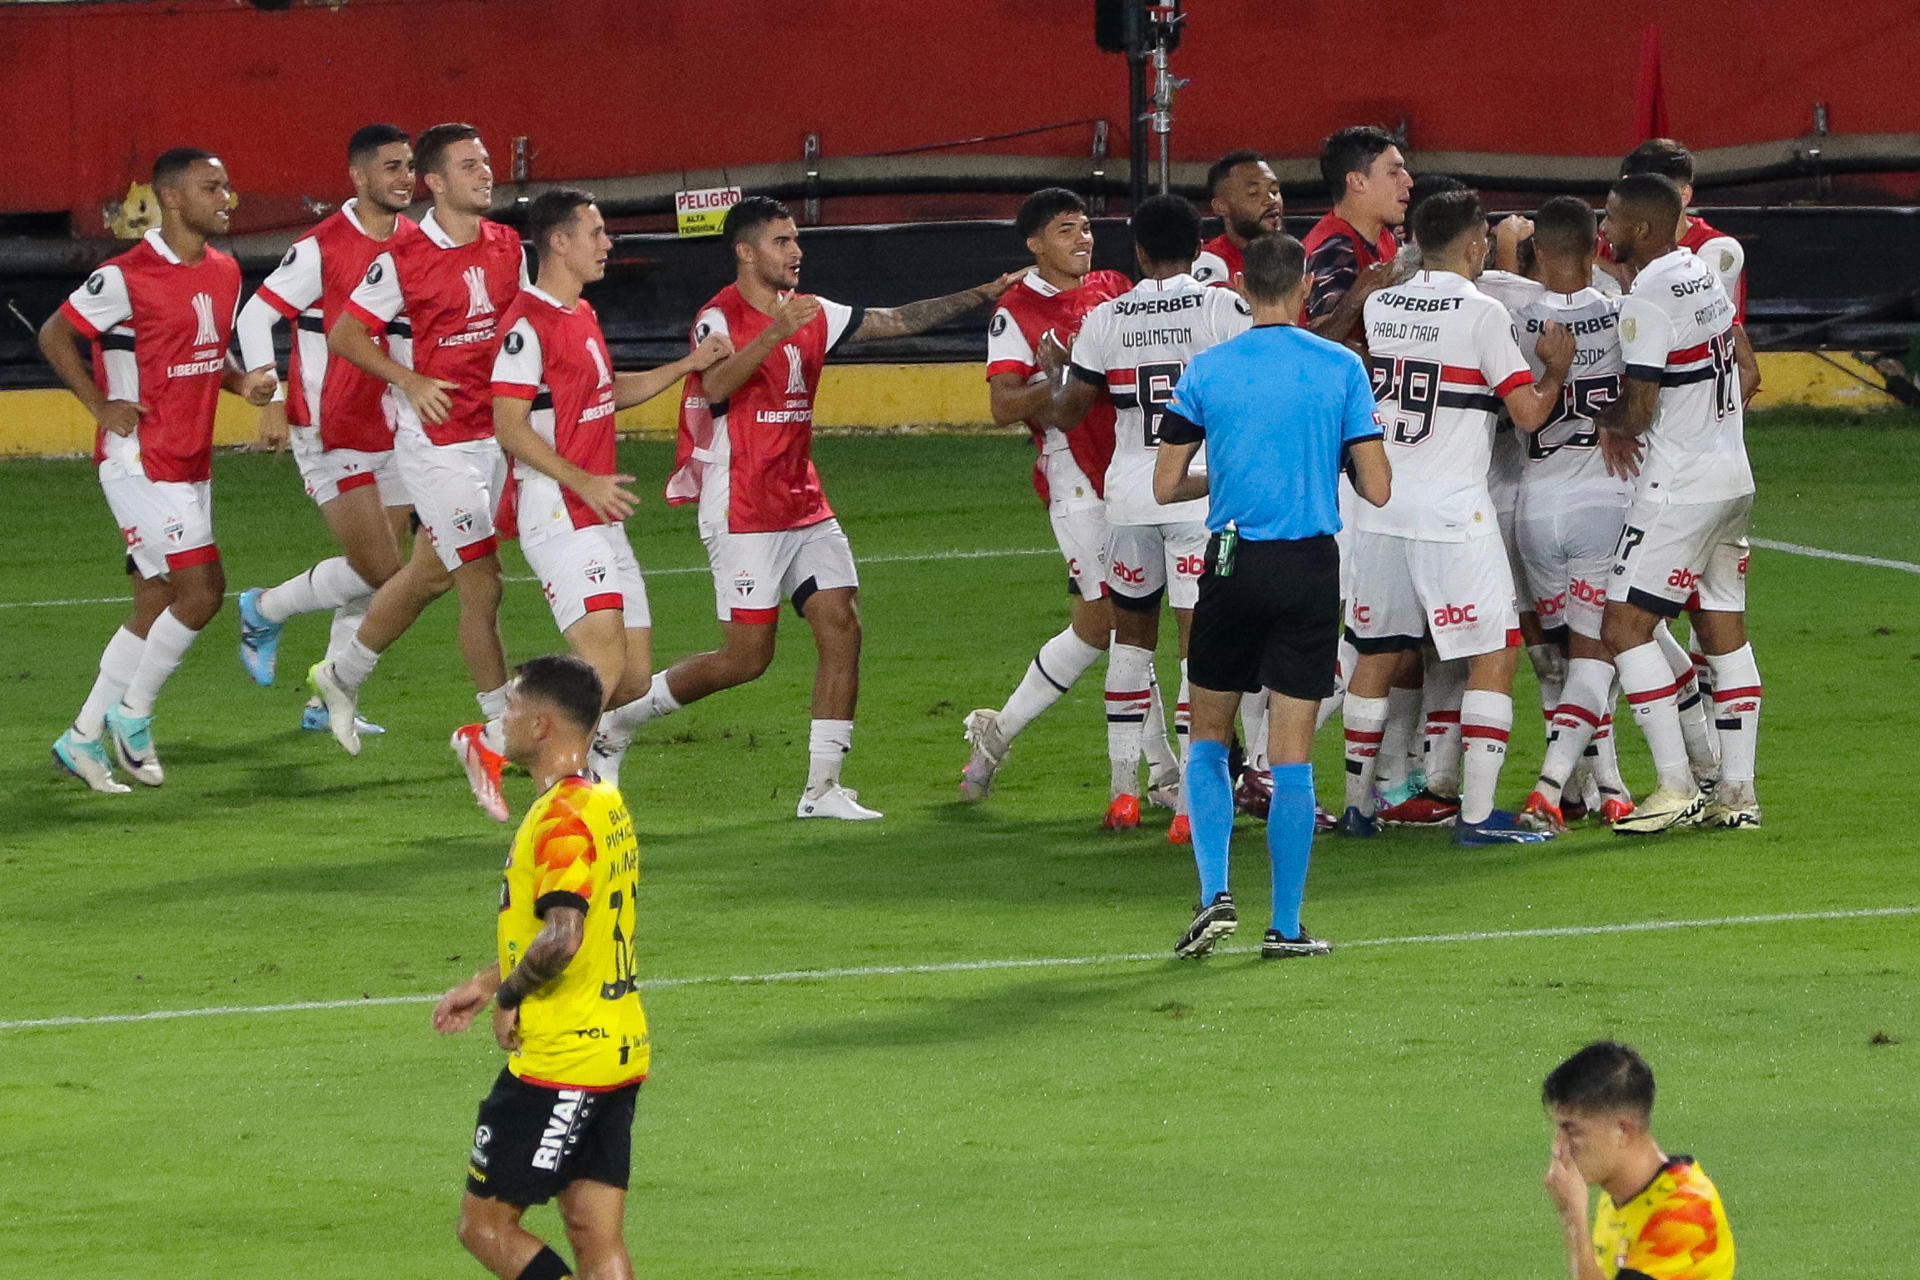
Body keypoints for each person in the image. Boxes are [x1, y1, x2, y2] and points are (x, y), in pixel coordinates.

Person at [597, 196, 1021, 820]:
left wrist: (983, 292)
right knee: (747, 658)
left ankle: (822, 790)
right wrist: (774, 329)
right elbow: (712, 387)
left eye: (796, 241)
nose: (795, 252)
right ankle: (618, 720)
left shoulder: (816, 311)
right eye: (780, 242)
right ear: (745, 251)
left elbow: (896, 321)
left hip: (802, 499)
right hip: (741, 503)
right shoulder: (719, 316)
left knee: (842, 625)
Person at [1153, 231, 1390, 958]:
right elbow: (1377, 487)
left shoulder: (1206, 369)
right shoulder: (1341, 366)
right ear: (1307, 290)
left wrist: (1221, 481)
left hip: (1228, 562)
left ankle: (1213, 892)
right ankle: (1285, 925)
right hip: (1309, 568)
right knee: (1289, 756)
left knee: (1209, 737)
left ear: (1244, 289)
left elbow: (1166, 485)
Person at [1338, 188, 1573, 844]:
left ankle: (1359, 807)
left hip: (1380, 504)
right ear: (1475, 247)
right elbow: (1526, 414)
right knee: (1495, 652)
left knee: (1376, 653)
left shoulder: (1382, 306)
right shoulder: (1483, 313)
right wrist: (1555, 371)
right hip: (1451, 514)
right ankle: (1475, 817)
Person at [313, 122, 530, 822]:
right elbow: (347, 333)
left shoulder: (506, 246)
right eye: (469, 165)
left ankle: (341, 674)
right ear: (434, 182)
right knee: (482, 581)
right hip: (435, 446)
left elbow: (523, 328)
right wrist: (407, 379)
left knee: (432, 573)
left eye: (486, 161)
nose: (485, 173)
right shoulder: (403, 255)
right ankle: (497, 734)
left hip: (490, 436)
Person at [42, 148, 276, 793]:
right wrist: (100, 405)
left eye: (227, 186)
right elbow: (53, 335)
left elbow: (205, 353)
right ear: (171, 198)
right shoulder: (125, 276)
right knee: (203, 593)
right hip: (139, 462)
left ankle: (81, 738)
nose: (226, 198)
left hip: (190, 463)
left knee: (155, 599)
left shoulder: (225, 270)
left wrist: (240, 384)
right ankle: (133, 715)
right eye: (212, 187)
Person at [490, 189, 732, 788]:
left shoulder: (581, 314)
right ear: (559, 241)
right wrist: (583, 481)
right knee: (601, 660)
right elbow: (506, 425)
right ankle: (544, 771)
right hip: (557, 509)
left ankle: (511, 733)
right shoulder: (526, 324)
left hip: (594, 510)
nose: (608, 243)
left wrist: (685, 365)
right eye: (596, 232)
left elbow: (604, 392)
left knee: (632, 677)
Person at [432, 655, 649, 1280]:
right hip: (616, 1046)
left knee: (485, 1227)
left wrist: (508, 1001)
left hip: (561, 1060)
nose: (502, 720)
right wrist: (483, 982)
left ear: (544, 726)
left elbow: (561, 939)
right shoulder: (604, 803)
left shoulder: (560, 820)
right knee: (594, 1235)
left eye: (513, 710)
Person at [1046, 193, 1251, 840]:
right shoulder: (1223, 307)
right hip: (1196, 491)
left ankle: (1123, 794)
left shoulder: (1106, 317)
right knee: (1199, 652)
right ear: (1199, 247)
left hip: (1129, 494)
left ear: (1137, 252)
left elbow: (1072, 408)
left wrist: (1056, 374)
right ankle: (1191, 807)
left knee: (1131, 644)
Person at [958, 188, 1166, 803]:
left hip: (1129, 462)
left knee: (1099, 628)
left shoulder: (1113, 286)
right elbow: (1001, 406)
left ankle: (999, 731)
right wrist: (1058, 378)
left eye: (1085, 227)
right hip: (1074, 473)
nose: (1083, 239)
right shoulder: (1015, 312)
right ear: (1034, 244)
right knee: (1122, 621)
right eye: (1066, 230)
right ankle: (1164, 774)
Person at [232, 123, 422, 737]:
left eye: (409, 166)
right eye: (391, 167)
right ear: (359, 176)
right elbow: (257, 314)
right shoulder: (323, 246)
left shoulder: (417, 241)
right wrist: (269, 394)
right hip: (326, 423)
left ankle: (329, 700)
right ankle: (262, 609)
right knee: (378, 568)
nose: (404, 177)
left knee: (378, 569)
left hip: (392, 423)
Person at [1594, 173, 1761, 833]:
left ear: (1637, 228)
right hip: (1732, 479)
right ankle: (1738, 794)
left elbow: (1638, 412)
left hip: (1680, 486)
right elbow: (1747, 371)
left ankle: (1673, 787)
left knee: (1622, 628)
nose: (1603, 228)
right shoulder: (1700, 271)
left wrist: (1602, 420)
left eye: (1609, 217)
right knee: (1723, 632)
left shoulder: (1646, 300)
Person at [1471, 198, 1640, 831]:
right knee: (1599, 656)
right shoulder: (1625, 313)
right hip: (1604, 499)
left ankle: (1603, 786)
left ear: (1537, 250)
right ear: (1599, 244)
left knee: (1565, 660)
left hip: (1534, 509)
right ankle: (1554, 787)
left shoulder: (1510, 319)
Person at [1543, 1040, 1735, 1280]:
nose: (1557, 1148)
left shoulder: (1685, 1211)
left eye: (1572, 1130)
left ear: (1622, 1131)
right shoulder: (1617, 1198)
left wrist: (1574, 1219)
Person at [1302, 125, 1411, 345]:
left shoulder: (1387, 237)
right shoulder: (1331, 247)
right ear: (1358, 182)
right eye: (1393, 172)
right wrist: (1359, 295)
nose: (1408, 181)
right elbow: (1319, 344)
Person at [1191, 149, 1284, 288]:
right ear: (1221, 206)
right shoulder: (1208, 261)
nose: (1272, 201)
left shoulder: (1297, 256)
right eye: (1254, 193)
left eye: (1274, 191)